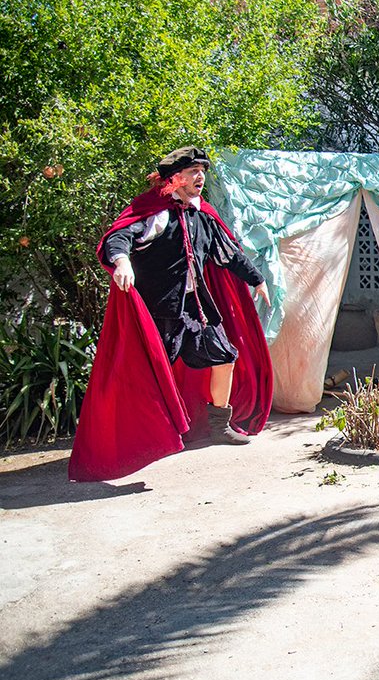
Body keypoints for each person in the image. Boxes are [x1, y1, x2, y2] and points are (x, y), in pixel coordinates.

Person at [69, 146, 274, 481]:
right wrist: (122, 262)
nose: (200, 177)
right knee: (149, 375)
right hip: (159, 312)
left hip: (196, 308)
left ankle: (219, 425)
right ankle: (143, 438)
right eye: (193, 171)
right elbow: (120, 237)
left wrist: (257, 279)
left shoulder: (202, 216)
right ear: (174, 179)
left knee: (225, 356)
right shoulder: (153, 213)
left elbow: (228, 254)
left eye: (202, 171)